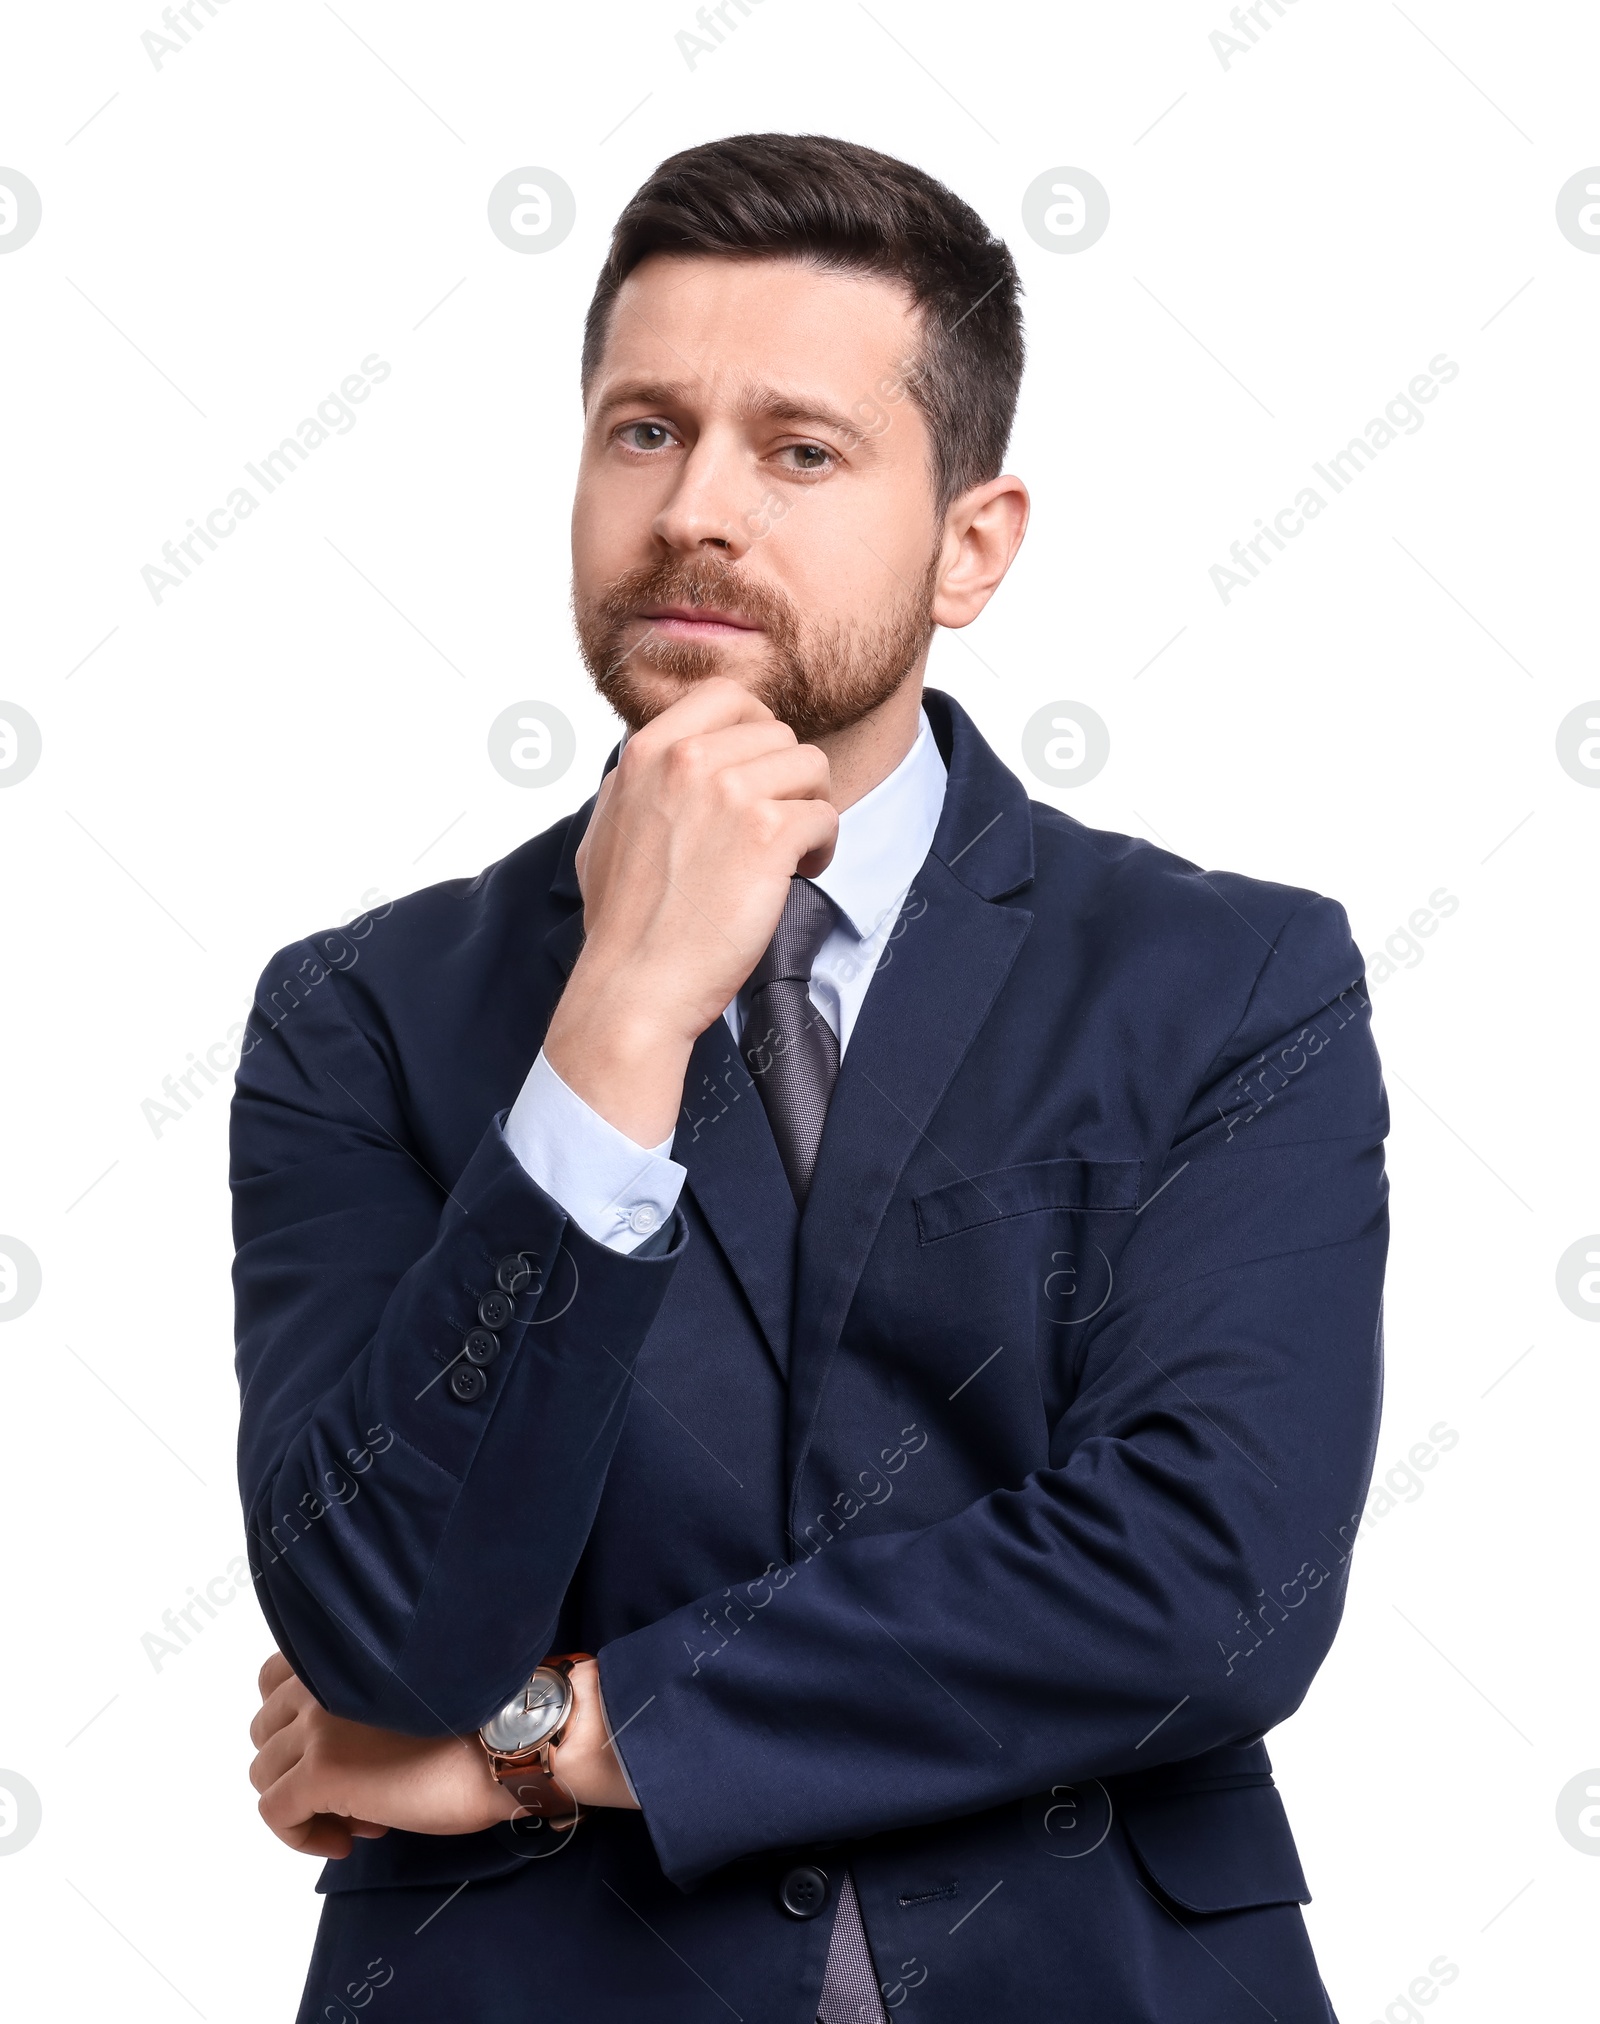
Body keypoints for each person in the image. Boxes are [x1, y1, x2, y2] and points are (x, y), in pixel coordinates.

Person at [233, 132, 1388, 2023]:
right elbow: (377, 1625)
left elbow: (1206, 1581)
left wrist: (550, 1737)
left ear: (972, 545)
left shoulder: (1229, 981)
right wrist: (618, 1014)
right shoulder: (361, 1015)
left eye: (800, 450)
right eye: (641, 430)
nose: (697, 508)